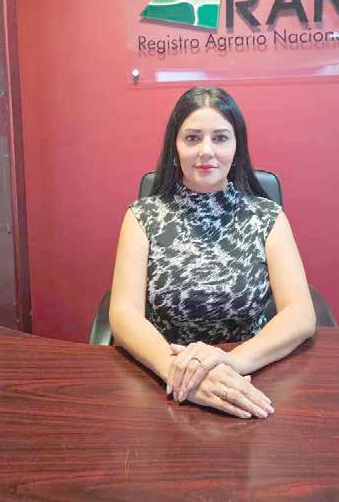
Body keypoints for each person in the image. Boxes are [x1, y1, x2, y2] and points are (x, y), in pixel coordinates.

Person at [109, 87, 315, 419]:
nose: (206, 151)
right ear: (175, 147)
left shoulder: (267, 216)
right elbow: (123, 314)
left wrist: (230, 362)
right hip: (166, 383)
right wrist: (177, 372)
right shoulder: (142, 217)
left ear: (237, 147)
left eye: (220, 138)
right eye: (192, 138)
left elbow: (301, 313)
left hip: (252, 380)